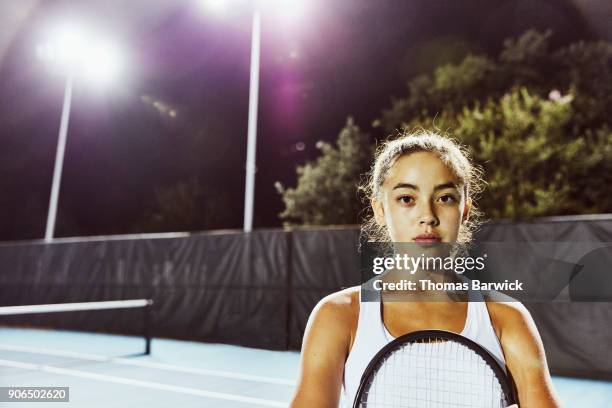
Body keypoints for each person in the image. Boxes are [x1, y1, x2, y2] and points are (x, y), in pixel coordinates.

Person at [289, 131, 561, 407]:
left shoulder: (507, 319)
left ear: (465, 209)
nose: (428, 216)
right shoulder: (339, 315)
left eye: (445, 198)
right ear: (380, 210)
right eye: (407, 199)